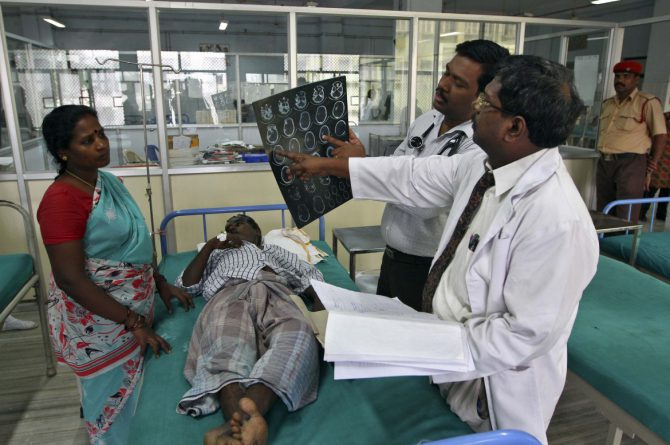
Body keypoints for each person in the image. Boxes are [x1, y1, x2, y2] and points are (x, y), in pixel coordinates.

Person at [282, 55, 599, 444]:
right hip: (447, 359)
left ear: (514, 127)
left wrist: (424, 345)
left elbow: (524, 335)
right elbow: (413, 175)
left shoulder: (556, 220)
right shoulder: (482, 166)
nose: (476, 109)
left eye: (485, 103)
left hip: (491, 389)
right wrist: (330, 167)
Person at [36, 105, 193, 444]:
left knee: (137, 400)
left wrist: (159, 283)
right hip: (99, 325)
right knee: (110, 406)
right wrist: (132, 322)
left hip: (131, 310)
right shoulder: (61, 200)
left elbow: (134, 245)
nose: (100, 144)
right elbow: (70, 278)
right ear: (63, 152)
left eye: (101, 134)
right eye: (87, 140)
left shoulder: (107, 182)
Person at [336, 40, 510, 311]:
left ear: (481, 96)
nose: (443, 84)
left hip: (426, 269)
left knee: (413, 334)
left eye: (458, 83)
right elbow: (396, 168)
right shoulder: (427, 120)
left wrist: (364, 166)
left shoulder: (478, 145)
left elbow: (426, 205)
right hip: (392, 259)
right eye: (446, 73)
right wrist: (368, 165)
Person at [175, 214, 324, 445]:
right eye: (227, 226)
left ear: (257, 232)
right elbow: (187, 285)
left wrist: (317, 301)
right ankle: (249, 422)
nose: (231, 227)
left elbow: (308, 274)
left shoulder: (273, 251)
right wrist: (209, 247)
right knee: (224, 341)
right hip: (229, 293)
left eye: (238, 223)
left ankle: (234, 426)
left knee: (299, 333)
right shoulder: (216, 253)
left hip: (274, 289)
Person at [596, 60, 667, 222]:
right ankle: (606, 238)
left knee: (626, 211)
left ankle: (624, 239)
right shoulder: (608, 104)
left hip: (631, 164)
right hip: (605, 162)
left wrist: (651, 166)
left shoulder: (647, 102)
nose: (620, 80)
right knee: (604, 210)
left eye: (626, 76)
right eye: (617, 76)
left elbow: (660, 135)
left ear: (636, 80)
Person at [641, 110, 670, 221]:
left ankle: (661, 216)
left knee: (666, 193)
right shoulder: (662, 118)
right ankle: (641, 213)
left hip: (664, 163)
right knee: (650, 188)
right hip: (658, 159)